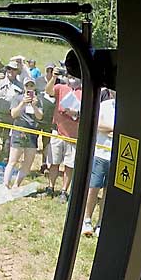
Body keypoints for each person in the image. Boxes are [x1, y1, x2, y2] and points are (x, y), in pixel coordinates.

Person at [44, 67, 82, 201]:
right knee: (54, 162)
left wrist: (76, 114)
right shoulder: (60, 87)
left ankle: (64, 191)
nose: (72, 78)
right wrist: (53, 78)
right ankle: (50, 187)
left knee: (69, 165)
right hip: (58, 132)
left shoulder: (84, 92)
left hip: (74, 136)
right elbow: (48, 91)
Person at [84, 89, 117, 237]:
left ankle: (101, 223)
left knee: (108, 192)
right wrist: (113, 128)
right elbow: (97, 124)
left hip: (116, 157)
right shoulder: (105, 105)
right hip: (100, 154)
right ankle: (86, 219)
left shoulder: (130, 110)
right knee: (93, 188)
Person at [3, 78, 44, 188]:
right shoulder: (17, 98)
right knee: (13, 160)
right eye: (27, 85)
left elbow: (40, 116)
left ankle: (17, 184)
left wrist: (34, 105)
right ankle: (5, 184)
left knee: (28, 162)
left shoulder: (38, 100)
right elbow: (13, 114)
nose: (29, 87)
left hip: (32, 133)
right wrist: (22, 103)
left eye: (31, 85)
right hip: (19, 131)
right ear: (24, 87)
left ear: (34, 87)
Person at [0, 61, 23, 163]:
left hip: (10, 117)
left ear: (17, 72)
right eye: (9, 69)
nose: (11, 71)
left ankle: (1, 164)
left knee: (7, 142)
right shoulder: (0, 81)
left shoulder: (20, 86)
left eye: (14, 69)